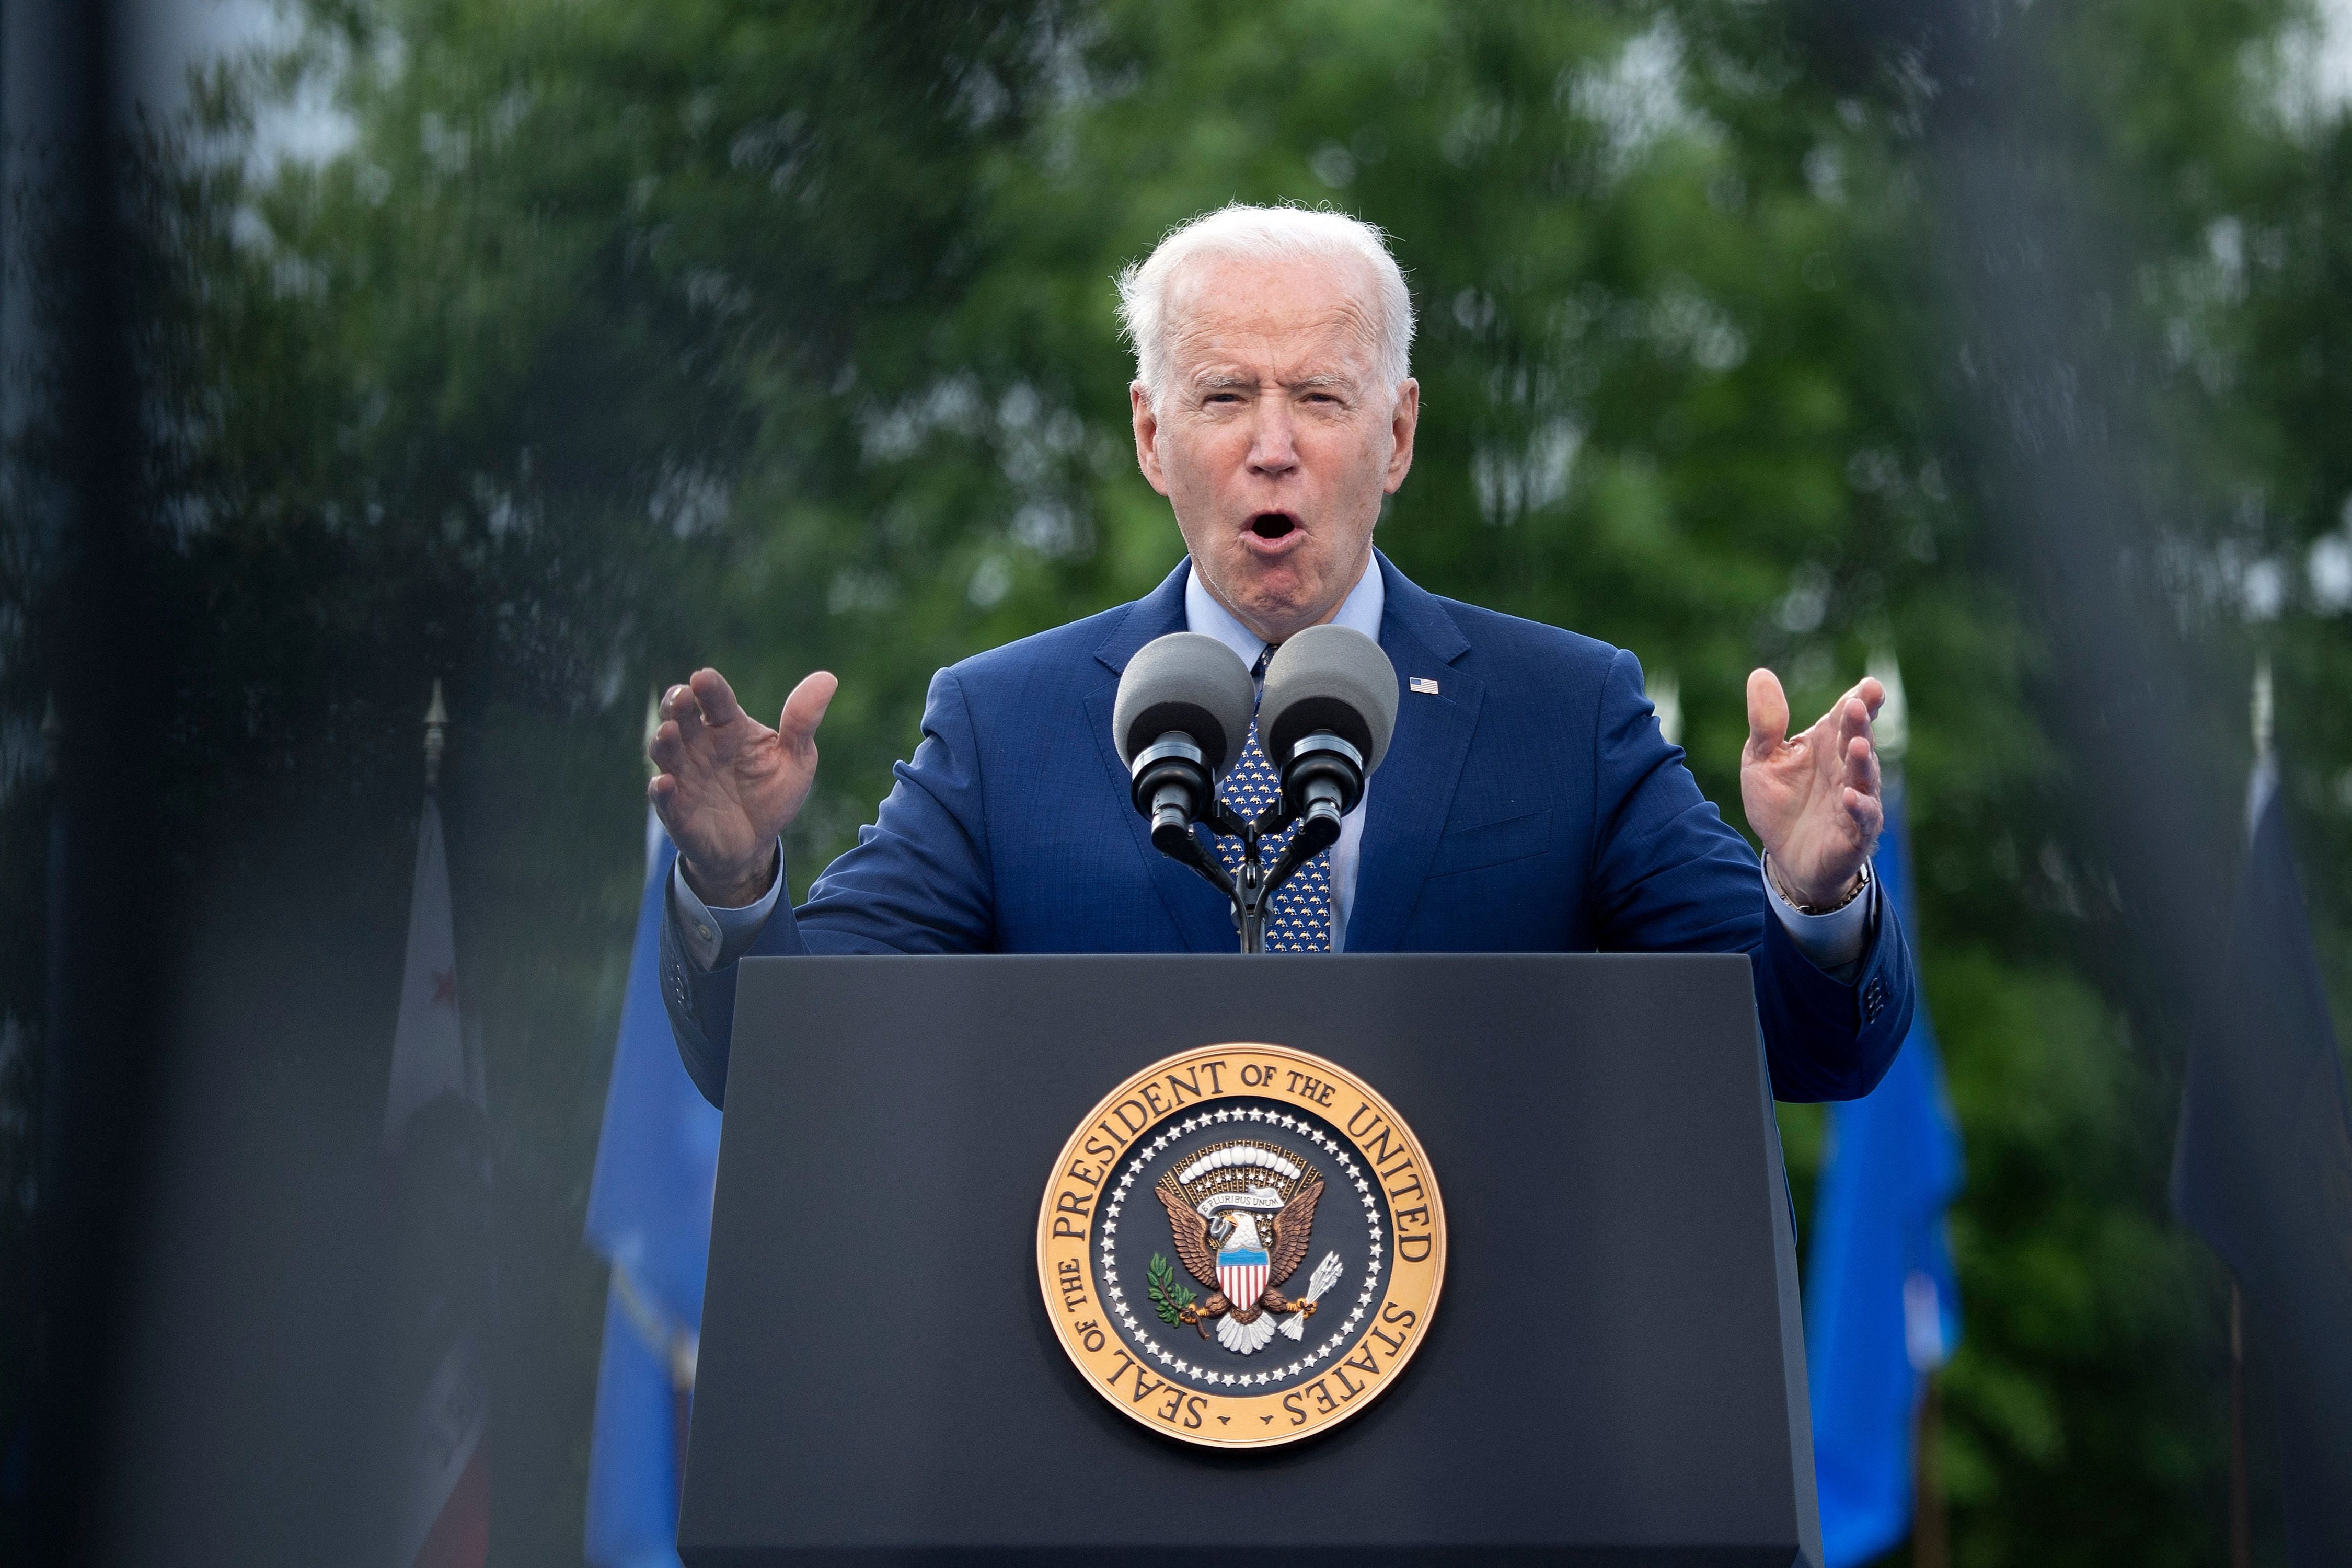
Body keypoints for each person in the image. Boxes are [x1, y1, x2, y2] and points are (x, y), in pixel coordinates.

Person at [649, 203, 1912, 1109]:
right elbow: (791, 1069)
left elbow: (1809, 1056)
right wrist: (735, 882)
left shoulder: (1563, 713)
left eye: (1319, 397)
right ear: (1151, 436)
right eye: (1221, 398)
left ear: (1398, 433)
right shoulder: (1004, 727)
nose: (1272, 447)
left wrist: (1810, 903)